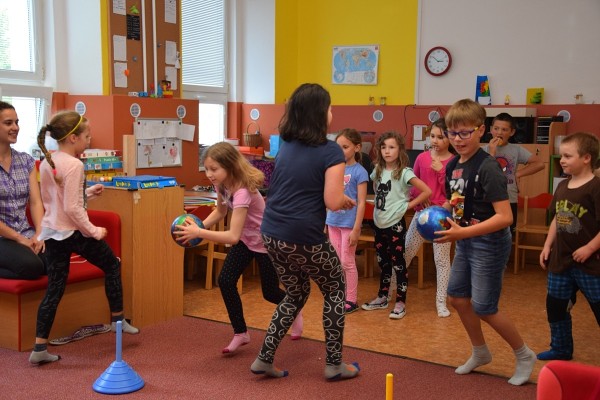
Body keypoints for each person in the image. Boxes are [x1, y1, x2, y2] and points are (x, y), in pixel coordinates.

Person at [250, 83, 360, 381]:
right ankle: (334, 364)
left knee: (296, 292)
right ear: (319, 113)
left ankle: (264, 358)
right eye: (330, 107)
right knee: (335, 289)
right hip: (304, 236)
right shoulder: (330, 150)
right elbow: (332, 201)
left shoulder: (287, 144)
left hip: (272, 233)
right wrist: (344, 199)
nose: (332, 112)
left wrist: (335, 198)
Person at [436, 99, 536, 386]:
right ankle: (480, 352)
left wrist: (462, 234)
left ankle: (524, 354)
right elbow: (455, 200)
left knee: (485, 307)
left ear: (481, 130)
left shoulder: (488, 167)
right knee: (457, 298)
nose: (458, 139)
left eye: (465, 133)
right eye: (452, 133)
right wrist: (439, 211)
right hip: (466, 239)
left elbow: (505, 217)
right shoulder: (453, 165)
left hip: (489, 243)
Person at [29, 111, 138, 365]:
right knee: (112, 265)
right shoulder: (75, 164)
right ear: (73, 138)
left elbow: (61, 199)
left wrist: (87, 192)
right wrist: (94, 231)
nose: (89, 141)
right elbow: (72, 209)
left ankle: (39, 347)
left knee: (55, 288)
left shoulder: (48, 161)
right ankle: (117, 321)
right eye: (87, 136)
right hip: (73, 232)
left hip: (53, 232)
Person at [174, 141, 302, 354]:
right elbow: (220, 212)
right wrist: (197, 227)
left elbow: (232, 236)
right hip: (246, 240)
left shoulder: (242, 191)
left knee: (270, 293)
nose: (209, 174)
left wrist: (199, 233)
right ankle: (241, 333)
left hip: (266, 243)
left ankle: (294, 309)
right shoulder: (222, 185)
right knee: (225, 281)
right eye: (207, 169)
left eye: (214, 169)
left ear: (230, 166)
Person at [538, 132, 600, 361]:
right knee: (556, 307)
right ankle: (561, 349)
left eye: (567, 156)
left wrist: (590, 248)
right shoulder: (562, 185)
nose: (562, 160)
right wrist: (547, 245)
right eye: (562, 155)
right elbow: (557, 217)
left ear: (586, 158)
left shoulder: (596, 187)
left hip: (590, 264)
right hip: (561, 261)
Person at [361, 131, 431, 319]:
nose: (387, 151)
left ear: (399, 150)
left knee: (398, 264)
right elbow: (377, 190)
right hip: (379, 222)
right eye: (383, 147)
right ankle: (382, 297)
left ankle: (400, 302)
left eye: (391, 147)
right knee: (383, 262)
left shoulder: (405, 172)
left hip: (395, 224)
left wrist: (407, 206)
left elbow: (426, 191)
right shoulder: (377, 170)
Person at [403, 118, 454, 317]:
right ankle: (391, 292)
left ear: (450, 138)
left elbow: (453, 192)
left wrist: (441, 172)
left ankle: (441, 302)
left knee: (441, 260)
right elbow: (412, 184)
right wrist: (418, 197)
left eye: (440, 137)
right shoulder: (422, 158)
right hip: (421, 216)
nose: (435, 141)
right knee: (406, 252)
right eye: (432, 136)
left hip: (442, 219)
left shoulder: (454, 162)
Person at [0, 101, 47, 280]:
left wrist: (39, 233)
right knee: (32, 266)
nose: (15, 127)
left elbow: (35, 202)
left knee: (55, 262)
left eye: (16, 122)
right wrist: (20, 240)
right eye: (8, 123)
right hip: (3, 237)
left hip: (25, 231)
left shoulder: (26, 161)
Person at [326, 128, 368, 314]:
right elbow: (328, 195)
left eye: (345, 147)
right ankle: (339, 295)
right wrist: (325, 222)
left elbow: (361, 203)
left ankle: (351, 299)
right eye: (338, 147)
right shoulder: (334, 169)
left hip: (349, 225)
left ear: (357, 148)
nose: (340, 151)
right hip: (333, 222)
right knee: (336, 262)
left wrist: (357, 228)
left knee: (347, 262)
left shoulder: (360, 172)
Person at [483, 112, 544, 232]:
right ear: (491, 129)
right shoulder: (483, 150)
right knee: (487, 235)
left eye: (504, 129)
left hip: (509, 198)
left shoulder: (516, 149)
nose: (499, 133)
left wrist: (518, 174)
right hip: (487, 199)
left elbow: (539, 164)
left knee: (508, 234)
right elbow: (484, 171)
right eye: (496, 128)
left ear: (512, 132)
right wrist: (492, 152)